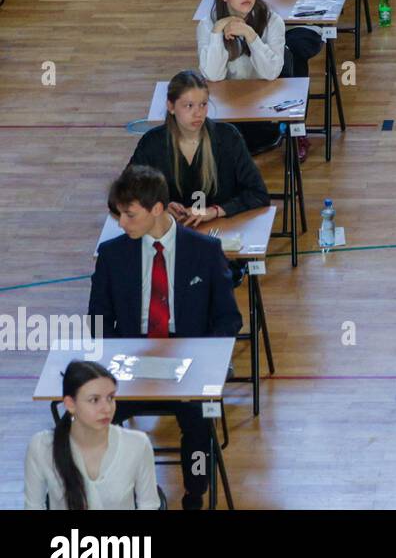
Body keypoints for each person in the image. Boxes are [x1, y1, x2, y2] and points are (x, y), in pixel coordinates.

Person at [88, 166, 242, 509]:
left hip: (188, 361)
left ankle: (195, 493)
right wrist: (117, 358)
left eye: (129, 215)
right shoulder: (112, 256)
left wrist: (202, 359)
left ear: (156, 209)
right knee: (92, 419)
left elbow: (228, 319)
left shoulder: (205, 251)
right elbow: (98, 320)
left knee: (199, 426)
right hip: (131, 363)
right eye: (119, 215)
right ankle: (121, 495)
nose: (121, 224)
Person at [128, 70, 269, 226]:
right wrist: (158, 208)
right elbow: (124, 195)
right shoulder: (152, 143)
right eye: (189, 106)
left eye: (203, 104)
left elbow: (258, 194)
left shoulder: (228, 137)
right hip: (170, 231)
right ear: (171, 106)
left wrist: (215, 211)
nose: (198, 113)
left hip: (221, 230)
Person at [24, 361, 160, 510]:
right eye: (94, 400)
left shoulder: (138, 444)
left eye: (110, 398)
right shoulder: (41, 446)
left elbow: (149, 505)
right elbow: (33, 506)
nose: (107, 408)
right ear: (70, 404)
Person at [198, 0, 286, 81]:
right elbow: (213, 76)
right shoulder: (207, 25)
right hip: (226, 97)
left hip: (263, 96)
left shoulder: (273, 21)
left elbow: (271, 73)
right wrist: (217, 32)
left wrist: (250, 34)